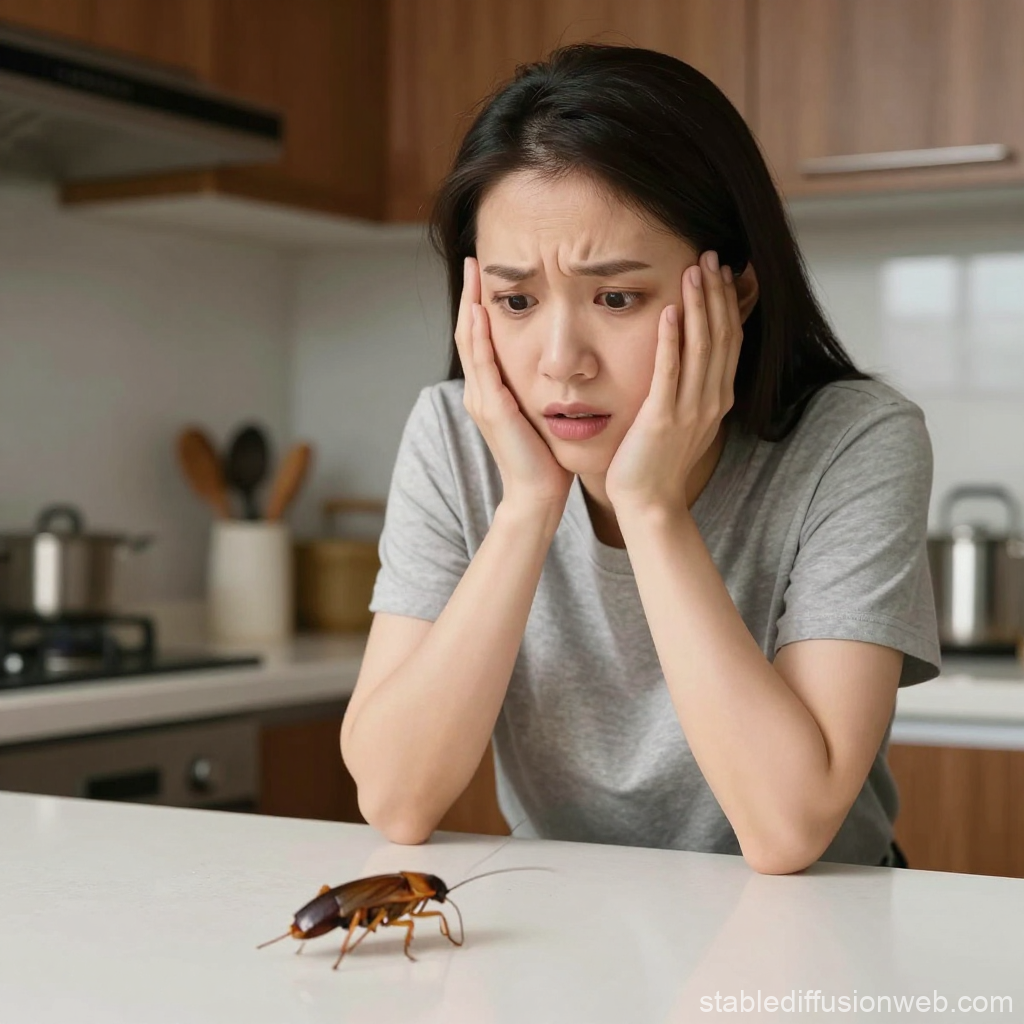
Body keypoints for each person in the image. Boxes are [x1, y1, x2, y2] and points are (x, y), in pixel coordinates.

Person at [339, 43, 941, 874]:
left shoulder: (855, 441)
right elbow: (396, 800)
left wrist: (653, 509)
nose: (560, 360)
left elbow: (788, 828)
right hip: (579, 922)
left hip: (812, 935)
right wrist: (524, 510)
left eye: (616, 298)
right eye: (515, 301)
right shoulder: (453, 438)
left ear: (733, 293)